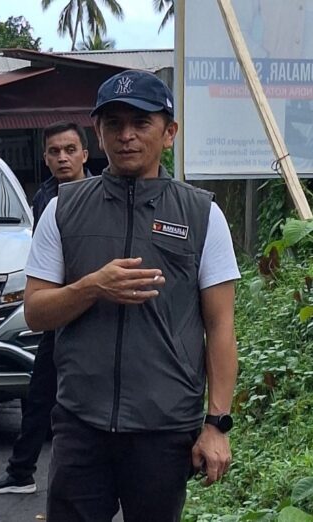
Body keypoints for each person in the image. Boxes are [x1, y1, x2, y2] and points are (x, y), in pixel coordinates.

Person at [24, 70, 240, 521]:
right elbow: (35, 312)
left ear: (169, 132)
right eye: (114, 123)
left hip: (164, 428)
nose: (126, 135)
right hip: (81, 424)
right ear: (98, 133)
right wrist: (91, 287)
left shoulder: (203, 214)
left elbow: (220, 325)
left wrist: (217, 423)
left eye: (141, 123)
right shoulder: (63, 209)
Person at [0, 121, 90, 494]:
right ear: (45, 158)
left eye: (70, 150)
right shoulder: (43, 198)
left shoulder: (103, 195)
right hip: (55, 310)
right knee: (39, 394)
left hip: (97, 312)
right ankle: (21, 471)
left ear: (85, 154)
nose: (62, 158)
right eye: (54, 151)